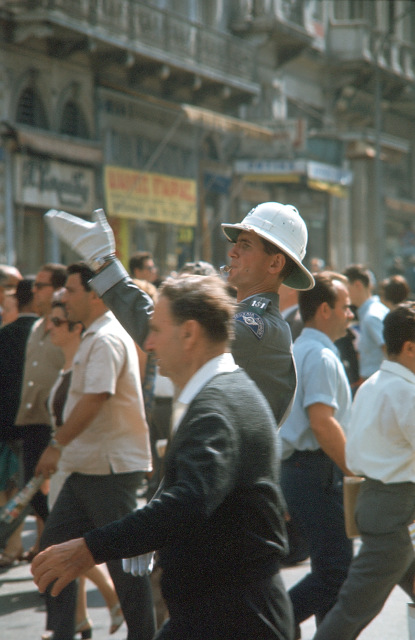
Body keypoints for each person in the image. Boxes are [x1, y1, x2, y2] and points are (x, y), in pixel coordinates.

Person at [32, 273, 294, 640]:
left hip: (235, 618)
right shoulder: (224, 391)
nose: (149, 342)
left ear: (189, 334)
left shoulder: (216, 406)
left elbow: (192, 498)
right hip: (214, 611)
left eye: (156, 329)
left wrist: (90, 548)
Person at [43, 204, 314, 430]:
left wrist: (105, 264)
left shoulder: (260, 326)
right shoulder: (250, 317)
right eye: (236, 243)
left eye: (245, 245)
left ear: (275, 263)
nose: (233, 252)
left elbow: (170, 334)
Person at [35, 261, 155, 640]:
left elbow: (96, 397)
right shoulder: (94, 335)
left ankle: (144, 635)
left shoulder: (105, 337)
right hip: (87, 469)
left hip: (111, 470)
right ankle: (64, 631)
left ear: (94, 295)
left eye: (69, 291)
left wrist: (56, 444)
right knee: (53, 553)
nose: (62, 298)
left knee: (125, 568)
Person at [313, 302, 415, 640]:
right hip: (393, 516)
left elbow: (353, 457)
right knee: (352, 611)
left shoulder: (371, 385)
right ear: (410, 348)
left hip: (375, 504)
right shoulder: (407, 393)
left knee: (353, 608)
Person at [43, 292, 123, 639]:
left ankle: (117, 604)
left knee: (80, 550)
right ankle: (74, 623)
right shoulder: (70, 363)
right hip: (69, 465)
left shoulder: (99, 345)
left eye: (58, 322)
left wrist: (55, 446)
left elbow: (93, 404)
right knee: (59, 550)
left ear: (77, 329)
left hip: (91, 464)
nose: (50, 327)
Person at [279, 272, 355, 639]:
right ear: (325, 310)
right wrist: (357, 471)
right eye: (346, 307)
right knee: (336, 570)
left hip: (304, 471)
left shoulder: (303, 348)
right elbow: (322, 424)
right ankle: (271, 620)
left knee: (329, 569)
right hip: (315, 471)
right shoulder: (321, 355)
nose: (351, 314)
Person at [13, 264, 67, 560]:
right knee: (36, 495)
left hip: (55, 426)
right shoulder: (36, 326)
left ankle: (57, 551)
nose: (34, 291)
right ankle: (48, 549)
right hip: (31, 423)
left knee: (51, 499)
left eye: (41, 286)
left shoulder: (68, 325)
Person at [0, 277, 38, 566]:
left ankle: (11, 547)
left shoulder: (6, 334)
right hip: (38, 424)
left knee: (8, 484)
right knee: (38, 485)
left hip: (5, 422)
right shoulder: (48, 332)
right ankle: (40, 542)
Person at [343, 264, 388, 380]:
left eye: (346, 287)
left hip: (377, 383)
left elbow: (391, 352)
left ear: (357, 285)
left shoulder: (371, 316)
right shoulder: (374, 310)